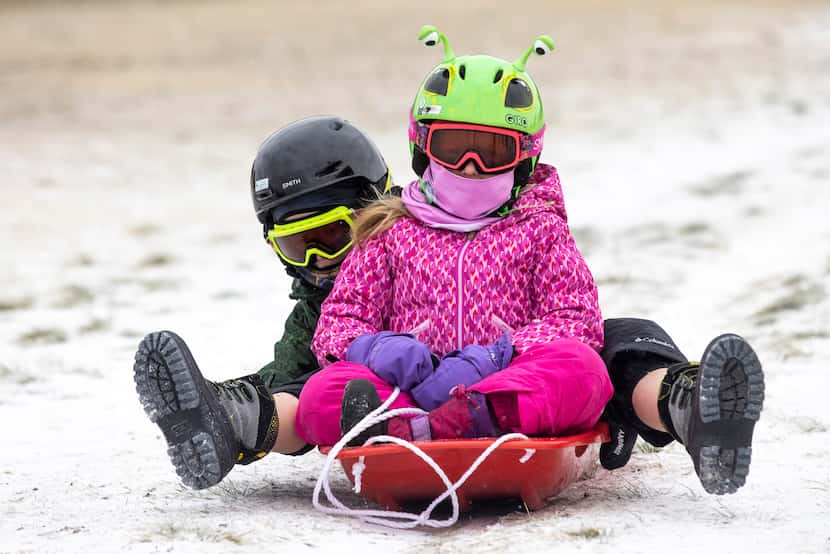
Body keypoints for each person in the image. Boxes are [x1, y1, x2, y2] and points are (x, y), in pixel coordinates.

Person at [294, 26, 765, 496]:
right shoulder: (389, 232)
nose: (472, 165)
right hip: (405, 391)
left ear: (524, 160)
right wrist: (376, 349)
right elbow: (339, 320)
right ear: (423, 148)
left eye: (494, 151)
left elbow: (576, 318)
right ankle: (401, 426)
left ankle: (467, 419)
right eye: (454, 147)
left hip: (506, 392)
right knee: (320, 392)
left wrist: (497, 356)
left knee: (583, 371)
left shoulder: (539, 230)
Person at [133, 115, 392, 489]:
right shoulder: (319, 304)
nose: (317, 258)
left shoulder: (413, 259)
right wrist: (256, 392)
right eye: (297, 245)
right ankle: (229, 418)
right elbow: (292, 366)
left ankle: (241, 417)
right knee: (298, 385)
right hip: (362, 404)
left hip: (437, 386)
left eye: (332, 235)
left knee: (330, 385)